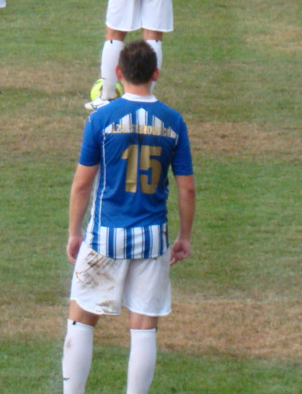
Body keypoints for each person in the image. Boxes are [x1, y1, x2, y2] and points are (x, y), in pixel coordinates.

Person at [61, 40, 197, 394]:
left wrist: (74, 232)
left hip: (106, 235)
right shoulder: (174, 122)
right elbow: (187, 189)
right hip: (153, 239)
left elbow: (81, 185)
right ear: (156, 74)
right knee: (143, 326)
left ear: (118, 74)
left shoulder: (101, 119)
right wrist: (184, 236)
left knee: (82, 319)